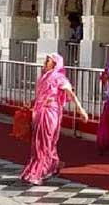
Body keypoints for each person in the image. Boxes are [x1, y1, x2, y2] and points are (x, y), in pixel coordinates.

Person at [20, 54, 89, 185]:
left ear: (55, 63)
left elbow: (71, 94)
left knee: (45, 141)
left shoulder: (59, 77)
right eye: (46, 60)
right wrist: (32, 102)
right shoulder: (43, 77)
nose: (45, 62)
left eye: (48, 60)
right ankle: (49, 165)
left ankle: (39, 172)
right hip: (39, 112)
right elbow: (41, 95)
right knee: (38, 142)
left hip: (51, 112)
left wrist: (80, 110)